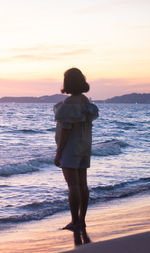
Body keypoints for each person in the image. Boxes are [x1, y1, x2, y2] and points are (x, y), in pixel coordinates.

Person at [53, 68, 99, 231]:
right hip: (84, 146)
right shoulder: (86, 102)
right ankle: (82, 220)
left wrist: (59, 152)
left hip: (70, 148)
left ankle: (74, 221)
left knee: (73, 185)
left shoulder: (68, 104)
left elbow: (66, 129)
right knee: (82, 184)